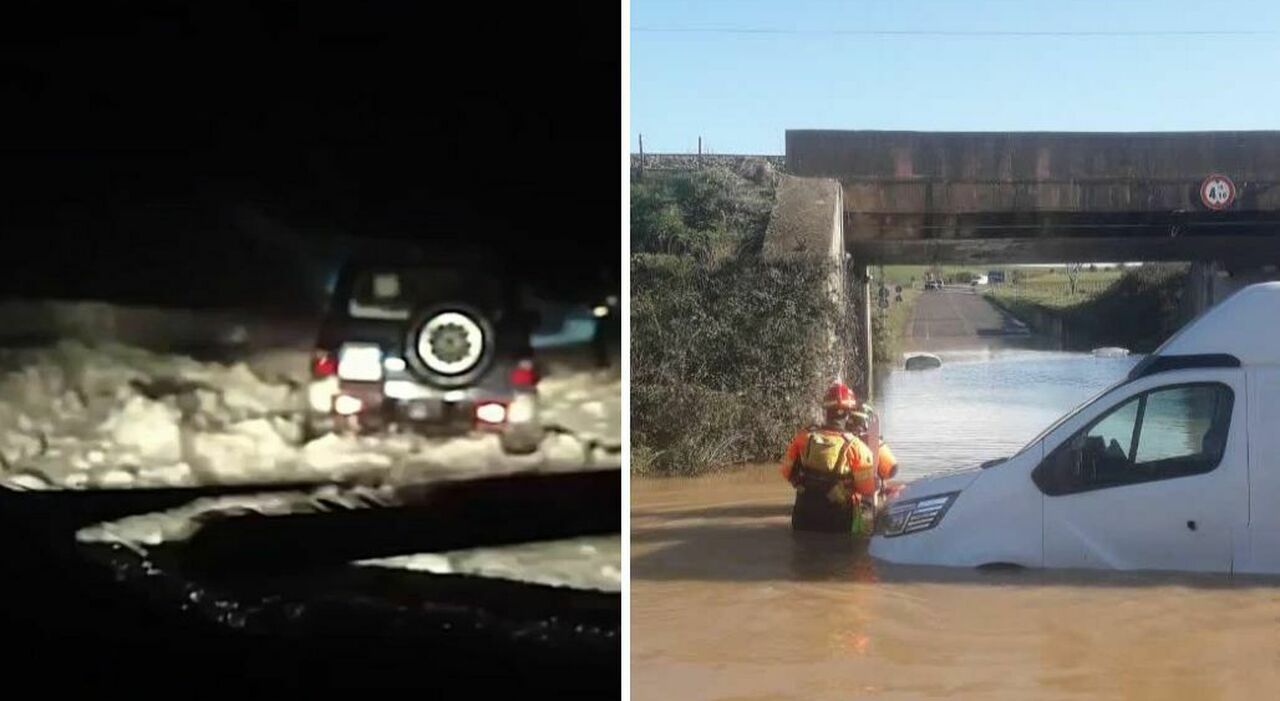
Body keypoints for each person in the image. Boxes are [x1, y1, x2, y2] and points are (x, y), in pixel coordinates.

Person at [780, 381, 880, 534]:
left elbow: (786, 472)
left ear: (826, 411)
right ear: (849, 413)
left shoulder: (803, 437)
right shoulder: (857, 447)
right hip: (837, 520)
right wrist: (878, 484)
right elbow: (866, 489)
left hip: (804, 516)